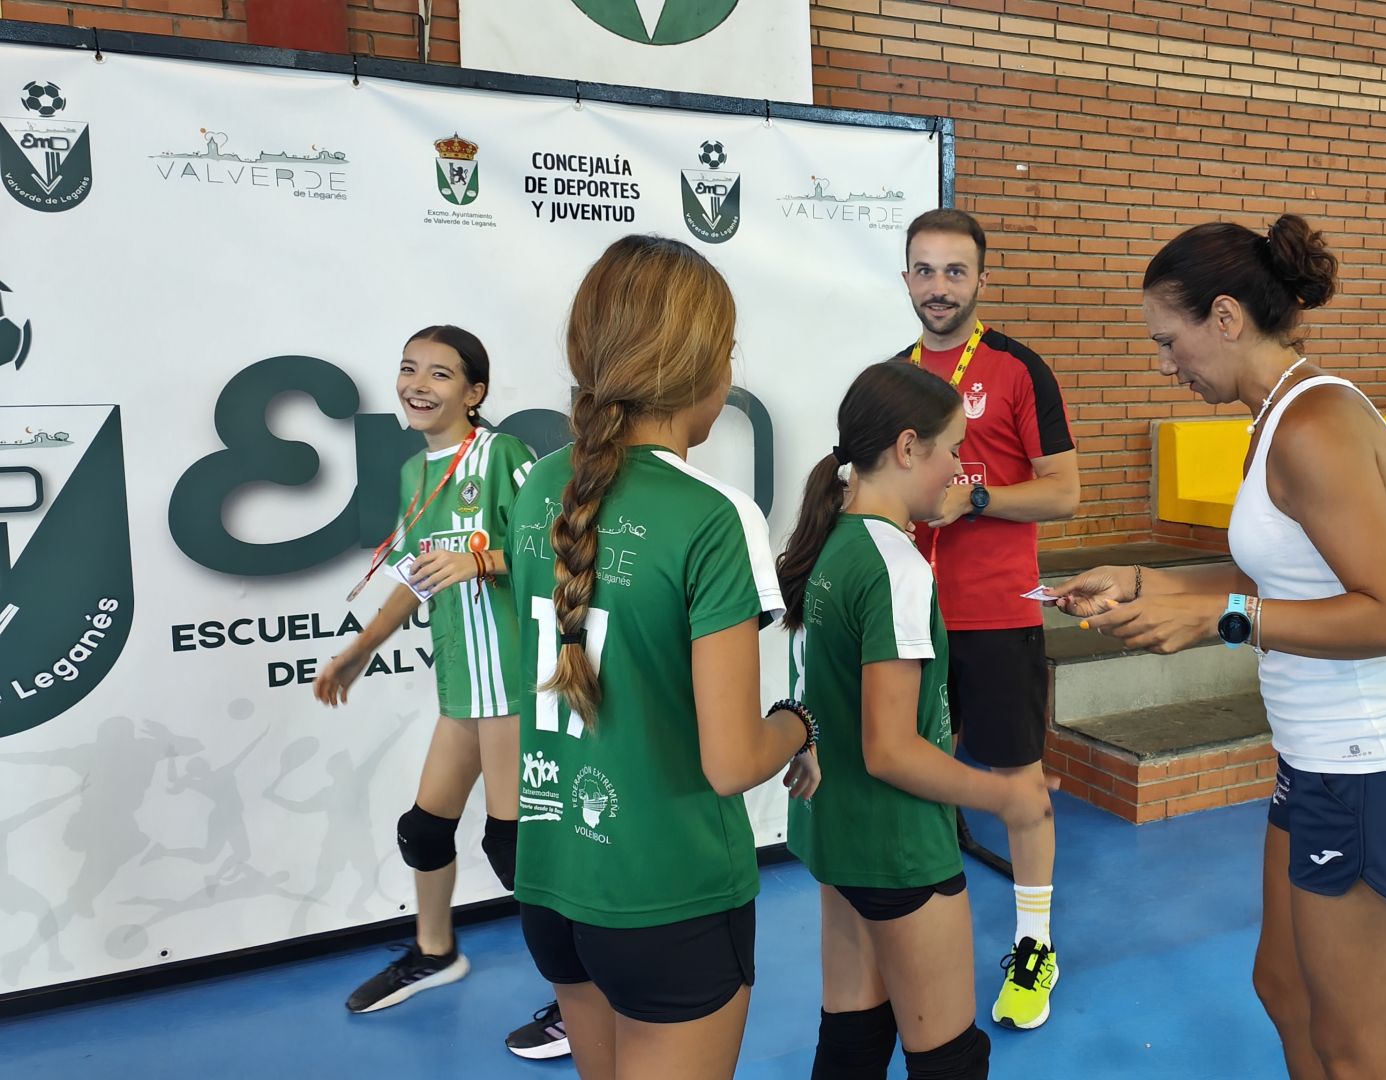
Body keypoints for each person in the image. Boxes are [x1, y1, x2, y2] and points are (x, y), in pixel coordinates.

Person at [1052, 213, 1386, 1080]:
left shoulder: (1314, 427)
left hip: (1378, 765)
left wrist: (1227, 620)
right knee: (1282, 988)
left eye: (1169, 342)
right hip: (1320, 759)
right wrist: (1147, 584)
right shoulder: (1278, 412)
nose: (1167, 366)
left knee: (1362, 1053)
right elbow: (1284, 575)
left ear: (1224, 317)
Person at [508, 234, 820, 1080]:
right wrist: (799, 724)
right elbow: (730, 763)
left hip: (552, 884)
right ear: (703, 373)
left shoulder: (544, 486)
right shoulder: (714, 517)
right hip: (669, 897)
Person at [779, 361, 1056, 1079]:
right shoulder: (895, 565)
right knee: (951, 1059)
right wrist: (1007, 797)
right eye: (954, 450)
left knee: (854, 1033)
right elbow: (892, 750)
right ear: (907, 449)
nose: (962, 469)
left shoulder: (833, 540)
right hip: (899, 846)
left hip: (835, 831)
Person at [314, 326, 565, 1057]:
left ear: (474, 393)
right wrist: (360, 648)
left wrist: (482, 559)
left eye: (441, 374)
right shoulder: (414, 473)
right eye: (408, 370)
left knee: (517, 849)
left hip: (515, 684)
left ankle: (580, 993)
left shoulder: (504, 456)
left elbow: (550, 546)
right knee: (424, 831)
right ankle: (435, 952)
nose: (419, 384)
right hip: (464, 682)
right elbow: (409, 572)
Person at [895, 208, 1077, 1029]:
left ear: (979, 279)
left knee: (1017, 784)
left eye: (954, 271)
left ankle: (1034, 946)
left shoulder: (1016, 369)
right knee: (908, 781)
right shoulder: (890, 377)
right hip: (904, 616)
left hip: (996, 617)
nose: (939, 287)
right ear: (906, 279)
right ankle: (919, 941)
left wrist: (976, 498)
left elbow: (1064, 492)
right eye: (925, 271)